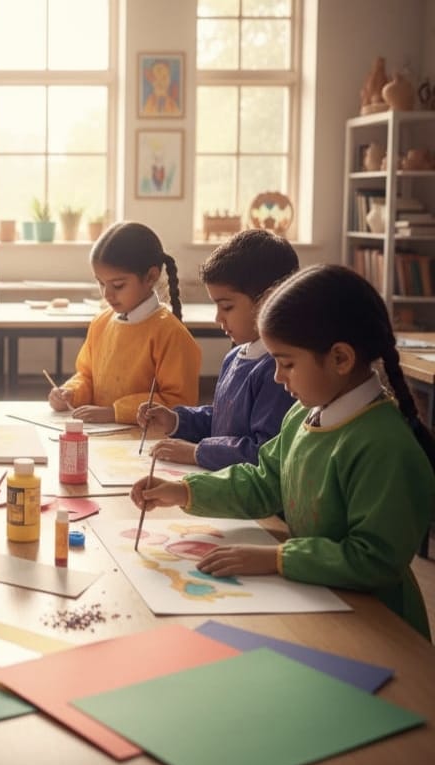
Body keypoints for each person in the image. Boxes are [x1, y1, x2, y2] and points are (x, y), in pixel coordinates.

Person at [132, 264, 435, 641]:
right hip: (316, 599)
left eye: (286, 363)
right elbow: (265, 481)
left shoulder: (383, 445)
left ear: (341, 358)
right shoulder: (302, 415)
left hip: (377, 622)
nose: (277, 377)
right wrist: (185, 491)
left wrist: (278, 558)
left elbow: (374, 559)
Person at [137, 229, 298, 468]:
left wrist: (197, 452)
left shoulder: (279, 371)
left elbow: (263, 452)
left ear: (269, 300)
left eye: (227, 307)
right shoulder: (236, 356)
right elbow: (222, 421)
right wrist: (176, 421)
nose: (217, 318)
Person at [48, 221, 201, 424]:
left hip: (147, 443)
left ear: (151, 277)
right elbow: (87, 375)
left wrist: (115, 412)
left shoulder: (171, 334)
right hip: (101, 437)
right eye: (101, 283)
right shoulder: (101, 323)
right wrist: (69, 393)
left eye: (118, 285)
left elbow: (179, 401)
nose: (107, 294)